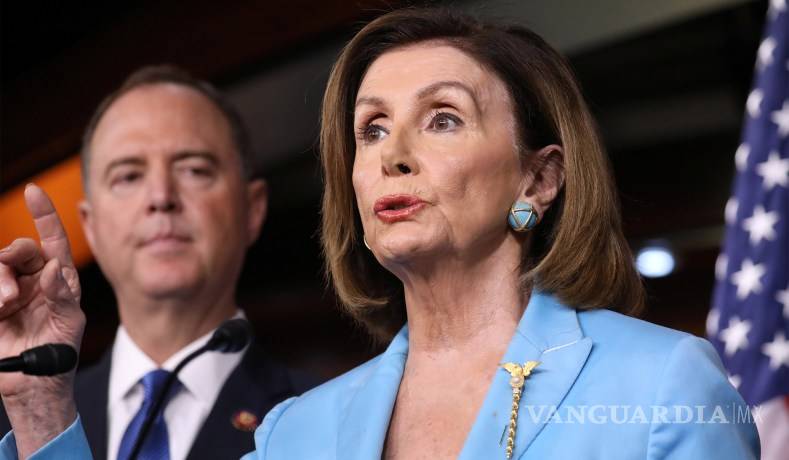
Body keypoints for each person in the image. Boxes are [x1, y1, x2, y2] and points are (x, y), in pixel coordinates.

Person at [0, 8, 760, 460]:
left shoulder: (665, 385)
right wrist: (40, 404)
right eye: (370, 130)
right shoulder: (297, 432)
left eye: (443, 119)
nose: (393, 154)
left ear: (538, 178)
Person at [0, 66, 313, 460]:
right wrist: (41, 413)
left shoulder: (323, 420)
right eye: (128, 176)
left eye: (194, 170)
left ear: (252, 209)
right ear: (90, 227)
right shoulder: (20, 421)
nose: (161, 196)